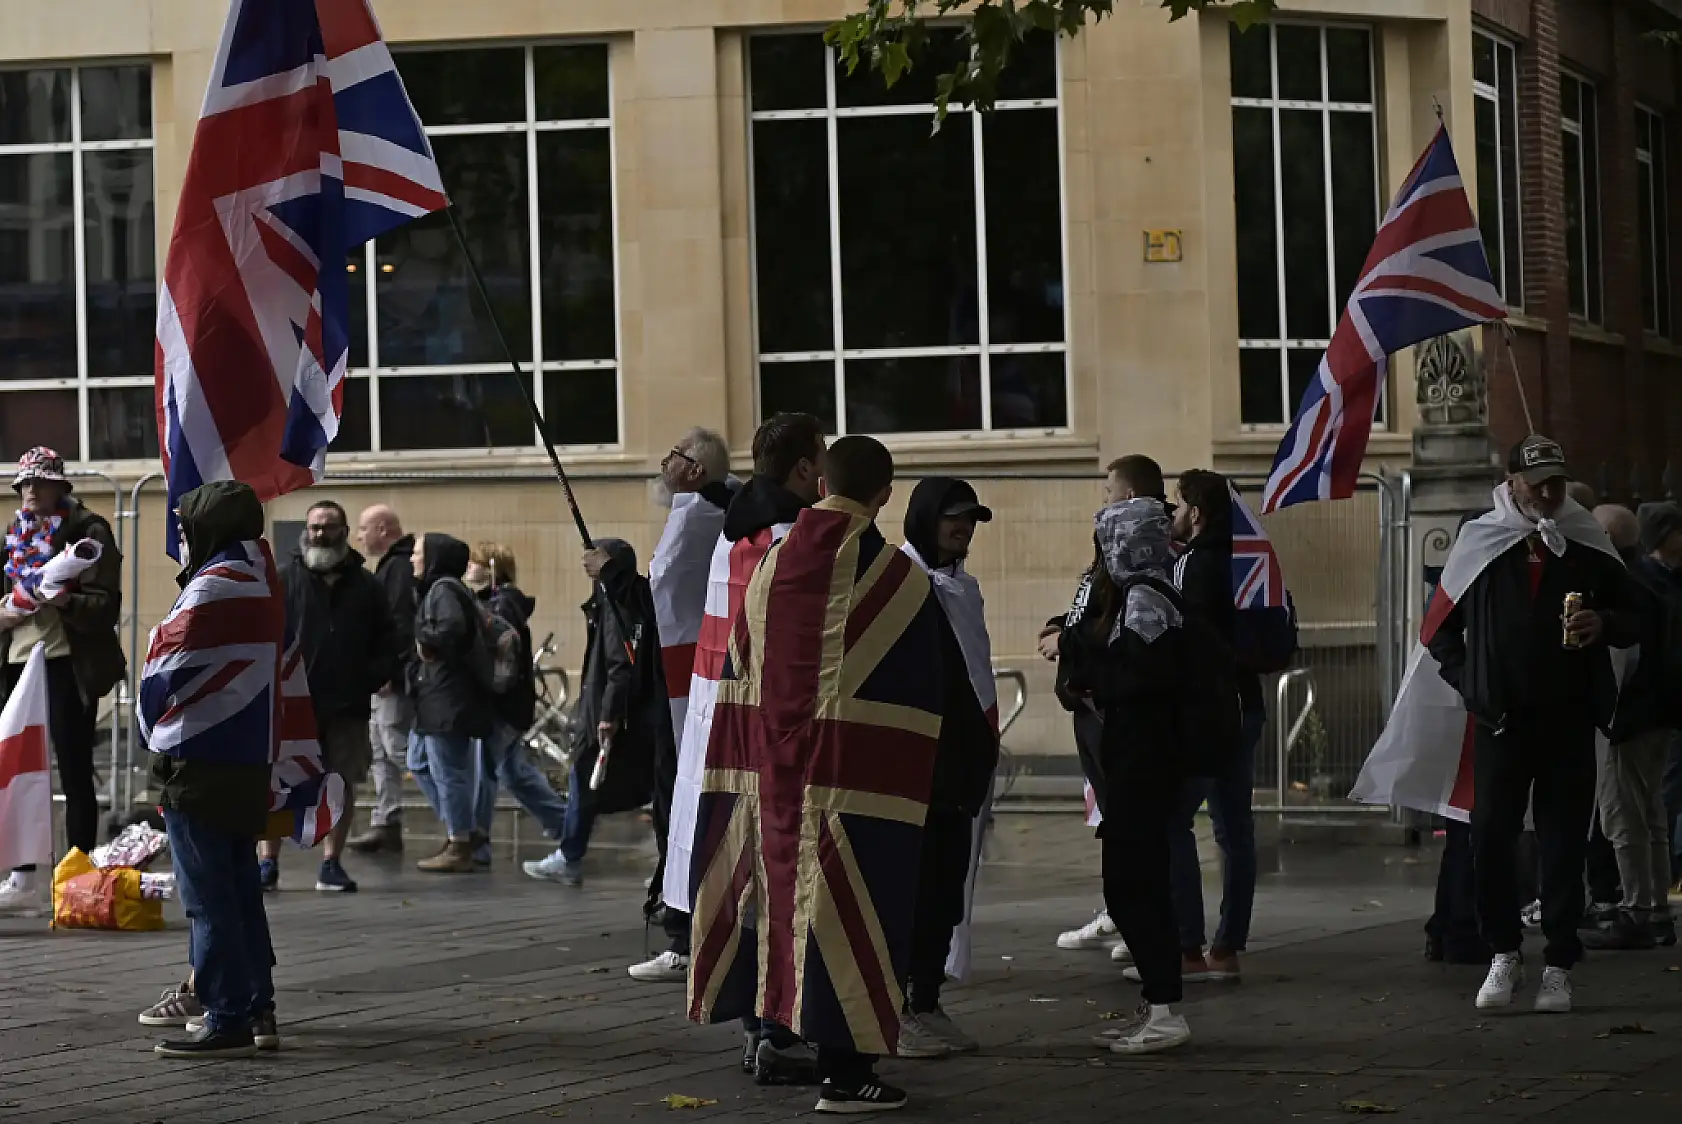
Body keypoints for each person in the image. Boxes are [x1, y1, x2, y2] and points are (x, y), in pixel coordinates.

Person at [686, 435, 943, 1114]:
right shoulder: (897, 576)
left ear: (821, 479)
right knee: (853, 917)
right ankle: (847, 1074)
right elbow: (926, 685)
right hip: (852, 782)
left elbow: (740, 656)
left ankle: (773, 1036)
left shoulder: (771, 562)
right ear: (885, 494)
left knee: (776, 908)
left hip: (769, 776)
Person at [1426, 437, 1637, 1013]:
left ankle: (1560, 963)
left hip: (1568, 718)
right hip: (1501, 720)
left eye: (1557, 482)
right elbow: (1439, 627)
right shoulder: (1481, 542)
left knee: (1564, 839)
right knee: (1490, 837)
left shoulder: (1586, 542)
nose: (1548, 493)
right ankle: (1503, 951)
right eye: (1537, 481)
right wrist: (1473, 684)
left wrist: (1608, 620)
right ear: (1512, 480)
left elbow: (1642, 611)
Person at [661, 411, 826, 1085]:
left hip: (721, 728)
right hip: (771, 731)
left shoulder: (734, 533)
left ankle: (759, 1027)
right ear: (805, 469)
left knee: (746, 882)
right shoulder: (793, 538)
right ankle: (775, 1032)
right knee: (780, 879)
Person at [142, 482, 280, 1058]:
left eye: (186, 523)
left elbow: (163, 665)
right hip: (245, 759)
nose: (180, 535)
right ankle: (259, 1010)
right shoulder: (261, 576)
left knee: (207, 899)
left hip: (198, 761)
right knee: (241, 891)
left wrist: (153, 731)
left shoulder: (213, 584)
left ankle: (226, 1018)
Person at [1059, 496, 1193, 1055]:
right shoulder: (1150, 593)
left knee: (1134, 886)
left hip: (1144, 765)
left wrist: (1089, 671)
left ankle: (1164, 1009)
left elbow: (1140, 681)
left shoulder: (1144, 600)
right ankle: (1156, 1006)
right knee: (1135, 883)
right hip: (1139, 764)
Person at [1041, 456, 1168, 960]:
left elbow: (1120, 636)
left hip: (1112, 713)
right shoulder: (1111, 558)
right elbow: (1092, 608)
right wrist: (1063, 628)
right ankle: (1125, 916)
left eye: (1109, 489)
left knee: (1132, 827)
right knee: (1113, 823)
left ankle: (1149, 935)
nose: (1103, 499)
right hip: (1090, 708)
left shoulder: (1145, 571)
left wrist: (1072, 649)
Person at [627, 426, 737, 983]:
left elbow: (658, 597)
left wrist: (617, 578)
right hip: (702, 678)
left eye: (671, 456)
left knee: (680, 800)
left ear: (693, 470)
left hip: (689, 685)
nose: (662, 464)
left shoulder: (695, 517)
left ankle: (684, 930)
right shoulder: (726, 508)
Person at [895, 477, 999, 1059]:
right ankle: (899, 1008)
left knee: (945, 888)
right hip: (919, 758)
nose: (963, 528)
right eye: (953, 517)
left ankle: (927, 1000)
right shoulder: (900, 583)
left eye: (971, 519)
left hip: (962, 760)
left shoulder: (965, 587)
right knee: (915, 885)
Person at [0, 447, 126, 912]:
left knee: (73, 768)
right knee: (13, 767)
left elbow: (104, 607)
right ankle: (21, 873)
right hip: (15, 661)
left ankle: (79, 870)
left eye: (40, 483)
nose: (31, 491)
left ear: (60, 487)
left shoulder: (89, 532)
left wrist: (61, 600)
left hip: (66, 662)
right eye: (24, 484)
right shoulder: (14, 532)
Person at [265, 501, 395, 893]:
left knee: (340, 781)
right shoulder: (284, 580)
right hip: (290, 706)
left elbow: (388, 642)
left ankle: (331, 863)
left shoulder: (367, 586)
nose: (320, 533)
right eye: (314, 527)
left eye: (329, 527)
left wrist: (367, 679)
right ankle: (267, 862)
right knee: (277, 784)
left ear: (343, 530)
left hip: (346, 706)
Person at [522, 538, 667, 887]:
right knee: (598, 785)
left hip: (605, 712)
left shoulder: (618, 607)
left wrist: (607, 715)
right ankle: (572, 854)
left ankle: (571, 856)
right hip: (608, 709)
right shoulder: (614, 605)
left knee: (588, 781)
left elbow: (619, 664)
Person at [1166, 470, 1264, 982]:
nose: (1173, 514)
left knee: (1174, 819)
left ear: (1196, 513)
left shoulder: (1194, 565)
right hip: (1247, 705)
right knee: (1235, 830)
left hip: (1208, 711)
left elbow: (1182, 640)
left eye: (1178, 505)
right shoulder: (1247, 558)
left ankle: (1186, 947)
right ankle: (1228, 948)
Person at [1583, 504, 1681, 949]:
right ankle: (1657, 910)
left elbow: (1624, 660)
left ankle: (1638, 911)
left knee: (1623, 816)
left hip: (1631, 716)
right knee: (1652, 814)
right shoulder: (1658, 578)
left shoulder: (1625, 584)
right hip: (1661, 713)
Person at [463, 543, 570, 863]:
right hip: (508, 703)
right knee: (509, 772)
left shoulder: (502, 605)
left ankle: (477, 843)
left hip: (502, 704)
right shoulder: (503, 602)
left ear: (492, 568)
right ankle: (566, 824)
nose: (469, 569)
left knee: (492, 773)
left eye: (475, 564)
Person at [409, 533, 496, 873]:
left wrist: (423, 639)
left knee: (449, 773)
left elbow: (450, 629)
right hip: (436, 697)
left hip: (448, 697)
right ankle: (463, 830)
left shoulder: (443, 589)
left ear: (433, 557)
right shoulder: (442, 588)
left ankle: (460, 841)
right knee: (418, 761)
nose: (413, 559)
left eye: (418, 553)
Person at [349, 505, 416, 855]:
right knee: (381, 751)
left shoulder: (398, 569)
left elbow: (400, 625)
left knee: (397, 748)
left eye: (363, 529)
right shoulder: (393, 567)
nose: (359, 537)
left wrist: (390, 670)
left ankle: (459, 823)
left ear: (381, 528)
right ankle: (385, 821)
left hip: (390, 679)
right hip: (381, 677)